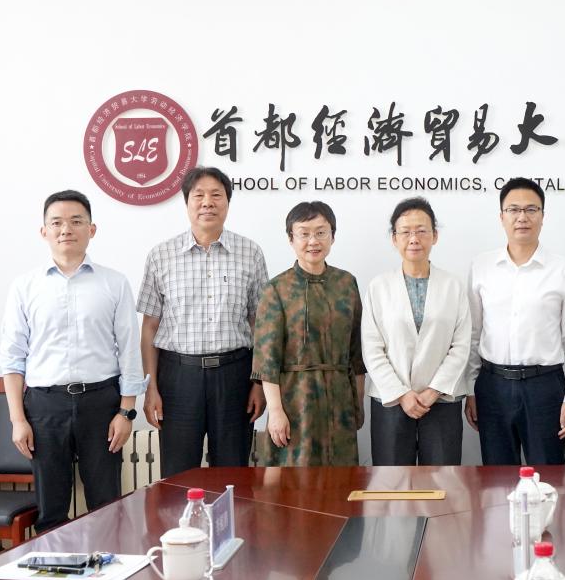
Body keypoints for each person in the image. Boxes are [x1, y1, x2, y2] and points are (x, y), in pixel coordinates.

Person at [0, 190, 146, 532]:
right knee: (50, 511)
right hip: (44, 406)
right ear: (44, 231)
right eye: (57, 223)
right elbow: (12, 358)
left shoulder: (114, 283)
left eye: (76, 221)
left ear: (91, 229)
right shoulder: (24, 287)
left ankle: (108, 563)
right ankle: (54, 567)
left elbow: (129, 351)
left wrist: (126, 412)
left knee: (106, 505)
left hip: (101, 403)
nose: (66, 229)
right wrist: (18, 420)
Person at [137, 167, 268, 478]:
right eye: (199, 195)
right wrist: (150, 387)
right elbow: (150, 327)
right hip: (178, 378)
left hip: (235, 376)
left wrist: (259, 383)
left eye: (216, 195)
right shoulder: (161, 255)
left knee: (233, 474)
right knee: (178, 475)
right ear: (187, 203)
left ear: (228, 203)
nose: (207, 202)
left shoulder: (250, 253)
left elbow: (260, 324)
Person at [466, 177, 565, 466]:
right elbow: (474, 334)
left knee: (549, 477)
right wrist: (470, 390)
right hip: (492, 386)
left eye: (531, 209)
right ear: (501, 216)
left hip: (545, 387)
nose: (522, 217)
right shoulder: (481, 266)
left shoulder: (563, 270)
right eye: (513, 209)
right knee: (496, 480)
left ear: (543, 215)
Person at [252, 201, 366, 466]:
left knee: (341, 476)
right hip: (295, 400)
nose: (313, 241)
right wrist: (275, 411)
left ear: (332, 236)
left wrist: (357, 402)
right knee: (295, 477)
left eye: (321, 232)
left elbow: (356, 352)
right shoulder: (277, 289)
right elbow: (266, 360)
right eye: (304, 233)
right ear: (291, 239)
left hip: (340, 400)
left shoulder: (346, 283)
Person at [361, 197, 471, 465]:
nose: (414, 239)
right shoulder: (378, 287)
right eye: (405, 232)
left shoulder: (453, 286)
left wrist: (433, 391)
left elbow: (461, 345)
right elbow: (372, 348)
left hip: (441, 400)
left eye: (422, 231)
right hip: (391, 400)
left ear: (435, 236)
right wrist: (401, 394)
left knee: (442, 479)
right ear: (394, 238)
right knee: (392, 481)